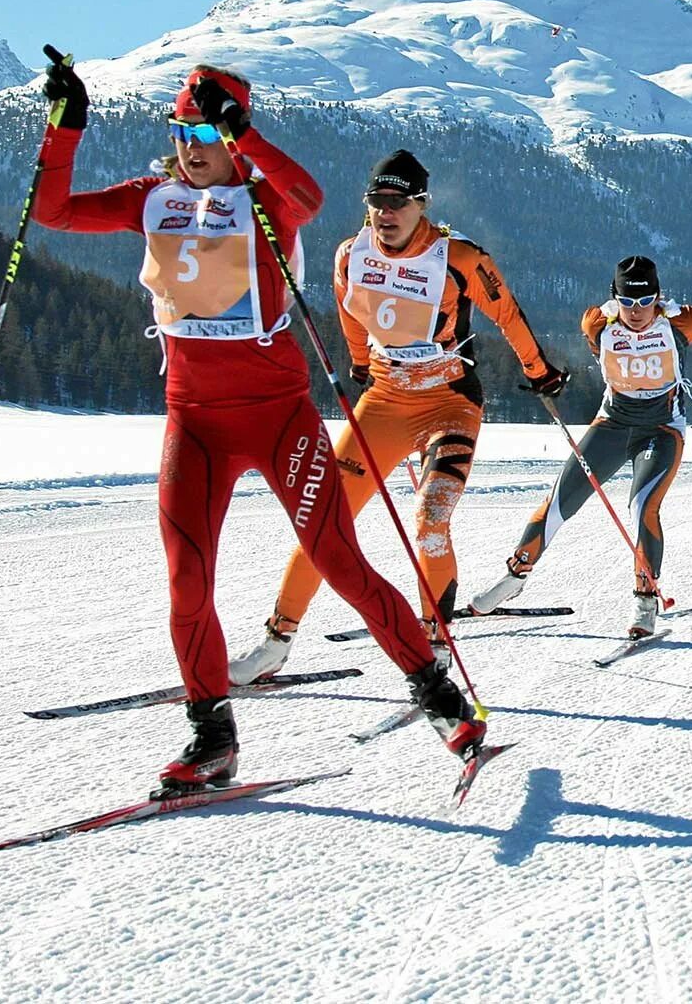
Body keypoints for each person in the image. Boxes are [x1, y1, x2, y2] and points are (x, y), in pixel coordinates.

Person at [35, 60, 483, 794]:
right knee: (187, 581)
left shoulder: (264, 200)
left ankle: (440, 699)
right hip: (195, 421)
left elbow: (308, 194)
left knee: (339, 562)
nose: (191, 147)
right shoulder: (152, 199)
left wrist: (247, 132)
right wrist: (66, 125)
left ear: (235, 135)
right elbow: (53, 211)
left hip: (279, 418)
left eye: (207, 131)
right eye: (182, 132)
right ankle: (212, 736)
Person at [230, 151, 566, 682]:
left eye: (398, 202)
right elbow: (347, 310)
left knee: (431, 523)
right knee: (323, 524)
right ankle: (277, 640)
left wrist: (539, 369)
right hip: (384, 400)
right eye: (376, 202)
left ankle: (435, 645)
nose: (386, 213)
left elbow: (507, 311)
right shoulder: (350, 253)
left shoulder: (459, 257)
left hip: (449, 403)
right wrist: (360, 363)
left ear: (420, 205)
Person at [472, 257, 692, 634]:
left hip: (661, 429)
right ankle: (515, 577)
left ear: (658, 298)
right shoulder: (596, 323)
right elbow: (596, 344)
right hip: (612, 425)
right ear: (615, 299)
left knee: (642, 506)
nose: (636, 312)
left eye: (645, 303)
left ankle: (645, 600)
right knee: (560, 500)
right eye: (627, 303)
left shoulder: (681, 322)